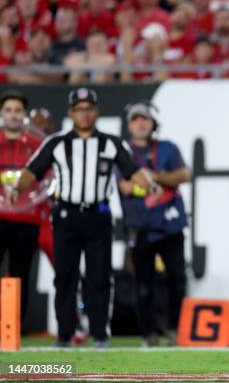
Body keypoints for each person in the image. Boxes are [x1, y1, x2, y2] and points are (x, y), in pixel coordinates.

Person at [6, 87, 161, 348]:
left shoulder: (111, 143)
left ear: (96, 112)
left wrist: (151, 186)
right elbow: (34, 170)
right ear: (71, 113)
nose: (85, 114)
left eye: (89, 108)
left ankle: (100, 334)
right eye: (79, 109)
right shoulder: (56, 143)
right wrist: (17, 189)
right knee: (65, 276)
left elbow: (132, 169)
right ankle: (65, 334)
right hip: (66, 215)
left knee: (100, 277)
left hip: (98, 215)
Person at [117, 101, 190, 347]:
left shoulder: (168, 148)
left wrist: (152, 177)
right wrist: (159, 183)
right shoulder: (123, 152)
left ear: (153, 123)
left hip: (170, 225)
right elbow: (125, 187)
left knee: (177, 279)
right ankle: (148, 333)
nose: (140, 123)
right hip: (140, 226)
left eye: (145, 119)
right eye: (136, 119)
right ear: (129, 125)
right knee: (143, 283)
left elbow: (184, 175)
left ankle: (172, 329)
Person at [0, 90, 44, 320]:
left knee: (21, 275)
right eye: (8, 110)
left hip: (27, 219)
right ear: (1, 114)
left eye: (18, 110)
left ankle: (15, 327)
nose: (13, 115)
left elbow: (48, 179)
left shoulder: (38, 145)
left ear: (25, 114)